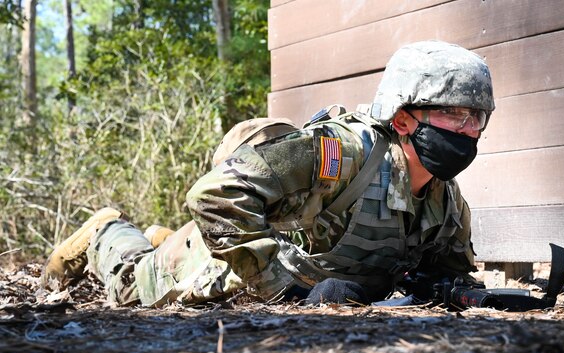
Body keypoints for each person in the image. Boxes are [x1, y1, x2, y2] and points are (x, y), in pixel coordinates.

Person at [40, 40, 495, 306]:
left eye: (477, 118)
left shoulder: (445, 200)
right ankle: (108, 230)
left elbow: (449, 276)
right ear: (401, 119)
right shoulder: (341, 153)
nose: (469, 130)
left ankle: (165, 236)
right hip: (223, 263)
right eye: (454, 115)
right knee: (129, 286)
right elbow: (214, 197)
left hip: (274, 253)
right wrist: (284, 290)